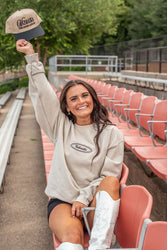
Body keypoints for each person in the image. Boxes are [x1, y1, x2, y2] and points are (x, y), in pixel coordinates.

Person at [16, 39, 124, 250]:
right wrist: (31, 56)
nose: (81, 101)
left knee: (111, 181)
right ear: (66, 106)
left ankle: (99, 247)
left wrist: (83, 198)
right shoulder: (60, 126)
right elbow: (43, 94)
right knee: (72, 237)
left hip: (93, 202)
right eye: (73, 99)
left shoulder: (112, 134)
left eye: (85, 95)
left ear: (93, 99)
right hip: (63, 201)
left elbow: (109, 177)